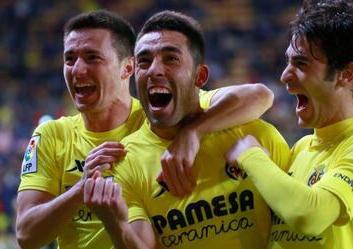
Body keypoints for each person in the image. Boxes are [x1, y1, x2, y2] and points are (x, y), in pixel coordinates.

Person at [15, 10, 275, 249]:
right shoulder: (52, 135)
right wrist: (80, 189)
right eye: (69, 59)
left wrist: (191, 133)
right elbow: (27, 236)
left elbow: (259, 95)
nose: (78, 69)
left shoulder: (161, 118)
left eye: (93, 57)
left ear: (127, 67)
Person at [83, 10, 290, 249]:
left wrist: (192, 132)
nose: (154, 70)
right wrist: (116, 225)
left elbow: (296, 225)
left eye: (171, 58)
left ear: (199, 76)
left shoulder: (253, 135)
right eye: (144, 61)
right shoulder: (125, 161)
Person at [225, 1, 353, 249]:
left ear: (346, 74)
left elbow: (310, 215)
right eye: (288, 62)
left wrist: (251, 155)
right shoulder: (301, 149)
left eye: (301, 63)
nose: (285, 75)